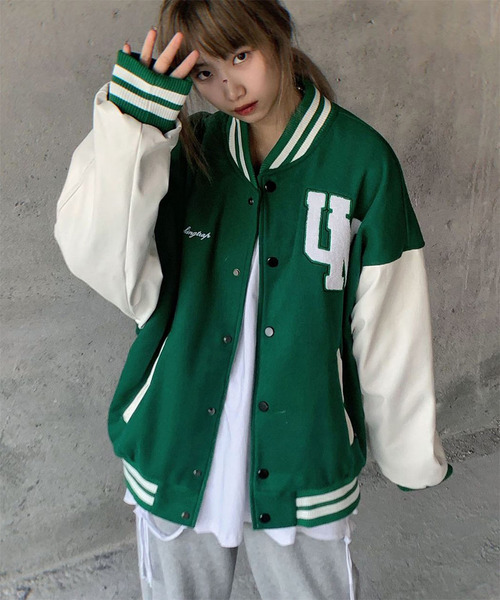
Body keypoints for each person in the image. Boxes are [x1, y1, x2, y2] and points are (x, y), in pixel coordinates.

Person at [54, 1, 453, 598]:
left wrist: (408, 450)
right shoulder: (188, 151)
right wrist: (133, 128)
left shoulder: (360, 161)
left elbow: (391, 324)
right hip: (176, 436)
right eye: (206, 73)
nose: (230, 88)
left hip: (303, 446)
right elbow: (100, 256)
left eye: (241, 56)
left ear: (277, 34)